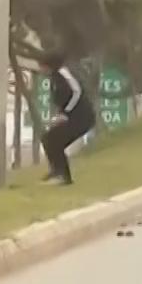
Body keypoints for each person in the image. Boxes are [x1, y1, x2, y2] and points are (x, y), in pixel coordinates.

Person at [39, 52, 95, 186]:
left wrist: (66, 113)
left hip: (82, 118)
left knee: (54, 141)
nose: (41, 70)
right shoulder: (55, 77)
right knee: (48, 138)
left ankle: (63, 176)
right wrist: (60, 115)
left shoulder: (64, 74)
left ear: (49, 66)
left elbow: (77, 91)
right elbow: (62, 99)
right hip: (72, 117)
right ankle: (57, 171)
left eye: (42, 67)